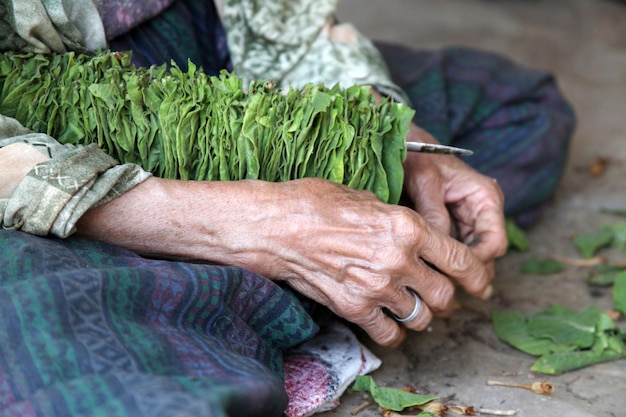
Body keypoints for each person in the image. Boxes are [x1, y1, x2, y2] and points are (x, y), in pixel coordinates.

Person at [0, 1, 575, 416]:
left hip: (195, 50)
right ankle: (269, 285)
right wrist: (252, 225)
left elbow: (278, 18)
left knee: (520, 112)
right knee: (56, 357)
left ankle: (259, 294)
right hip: (32, 155)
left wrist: (383, 132)